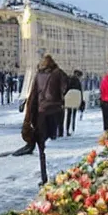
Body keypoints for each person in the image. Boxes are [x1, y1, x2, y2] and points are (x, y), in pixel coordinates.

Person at [21, 54, 67, 185]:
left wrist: (28, 119)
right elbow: (66, 86)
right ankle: (60, 178)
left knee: (42, 146)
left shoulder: (38, 76)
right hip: (56, 112)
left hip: (41, 113)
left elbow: (32, 97)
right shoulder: (59, 73)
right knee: (55, 143)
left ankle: (44, 177)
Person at [64, 70, 84, 136]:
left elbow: (66, 89)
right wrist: (81, 101)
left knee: (69, 114)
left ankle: (67, 129)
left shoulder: (68, 80)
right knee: (74, 114)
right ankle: (72, 128)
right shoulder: (78, 82)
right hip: (75, 99)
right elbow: (80, 92)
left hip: (69, 99)